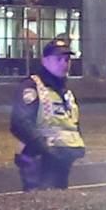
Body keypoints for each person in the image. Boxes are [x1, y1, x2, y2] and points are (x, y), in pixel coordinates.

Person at [11, 40, 86, 190]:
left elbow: (70, 124)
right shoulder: (32, 86)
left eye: (67, 59)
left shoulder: (65, 91)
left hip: (61, 160)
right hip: (39, 160)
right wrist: (45, 149)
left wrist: (76, 146)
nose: (64, 63)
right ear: (44, 60)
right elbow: (19, 123)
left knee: (58, 203)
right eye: (58, 59)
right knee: (42, 204)